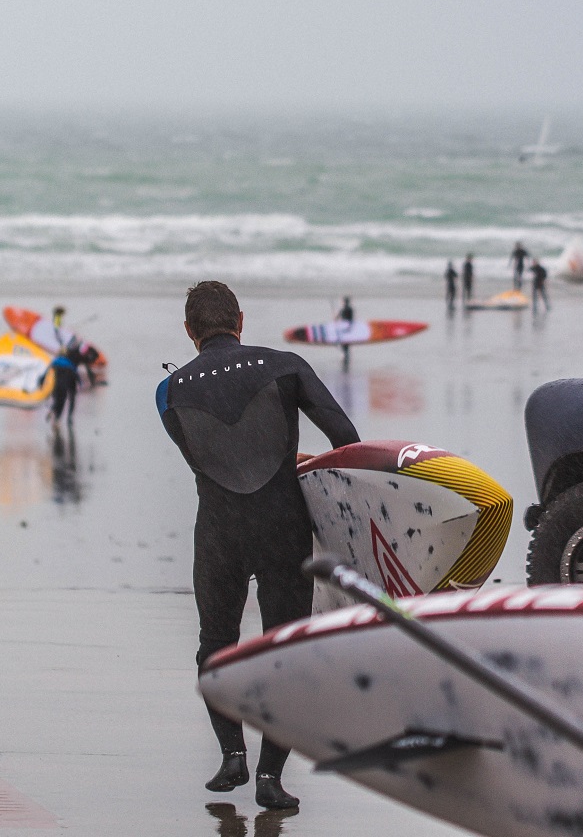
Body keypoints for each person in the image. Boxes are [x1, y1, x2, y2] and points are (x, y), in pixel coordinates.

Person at [157, 281, 360, 811]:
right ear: (241, 320)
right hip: (283, 527)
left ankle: (232, 757)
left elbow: (210, 456)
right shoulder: (286, 366)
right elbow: (346, 438)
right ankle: (270, 777)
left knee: (215, 645)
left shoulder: (169, 391)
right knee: (285, 649)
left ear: (189, 331)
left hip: (219, 531)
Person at [47, 343, 80, 425]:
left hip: (56, 385)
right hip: (66, 385)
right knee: (64, 402)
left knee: (57, 401)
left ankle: (52, 411)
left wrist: (41, 382)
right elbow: (75, 375)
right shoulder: (69, 364)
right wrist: (80, 382)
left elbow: (46, 372)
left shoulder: (55, 362)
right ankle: (60, 420)